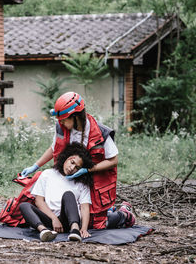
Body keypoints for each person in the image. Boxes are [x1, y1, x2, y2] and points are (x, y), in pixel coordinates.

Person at [20, 92, 135, 230]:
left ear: (74, 116)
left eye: (63, 119)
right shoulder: (61, 128)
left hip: (94, 179)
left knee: (97, 224)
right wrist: (35, 165)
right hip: (71, 179)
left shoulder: (101, 132)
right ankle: (110, 212)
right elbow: (53, 148)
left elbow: (113, 161)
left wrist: (87, 170)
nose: (60, 122)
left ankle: (124, 214)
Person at [20, 142, 94, 242]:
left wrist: (84, 228)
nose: (72, 168)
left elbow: (85, 207)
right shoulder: (47, 174)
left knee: (68, 194)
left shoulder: (81, 183)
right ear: (66, 158)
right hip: (50, 219)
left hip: (69, 220)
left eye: (77, 168)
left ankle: (75, 231)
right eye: (72, 163)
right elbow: (39, 201)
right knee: (24, 206)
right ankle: (44, 231)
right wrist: (54, 219)